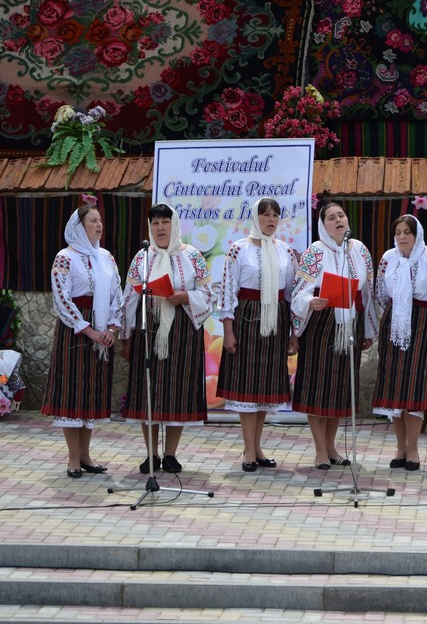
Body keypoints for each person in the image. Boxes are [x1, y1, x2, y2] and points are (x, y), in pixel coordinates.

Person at [118, 204, 215, 474]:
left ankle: (170, 453)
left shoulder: (193, 256)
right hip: (149, 329)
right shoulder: (142, 257)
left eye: (165, 222)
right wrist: (126, 335)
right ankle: (151, 454)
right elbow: (129, 297)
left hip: (183, 329)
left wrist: (186, 296)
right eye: (155, 223)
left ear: (175, 225)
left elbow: (209, 293)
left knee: (178, 389)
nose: (160, 227)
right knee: (147, 389)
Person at [290, 202, 379, 470]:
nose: (338, 220)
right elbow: (298, 292)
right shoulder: (315, 252)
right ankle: (320, 450)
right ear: (323, 225)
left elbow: (368, 293)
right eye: (331, 217)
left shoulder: (360, 250)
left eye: (341, 215)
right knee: (318, 387)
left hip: (350, 323)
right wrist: (311, 301)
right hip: (321, 324)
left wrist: (368, 329)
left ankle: (332, 447)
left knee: (340, 387)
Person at [41, 202, 123, 478]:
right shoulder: (65, 257)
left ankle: (86, 455)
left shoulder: (106, 257)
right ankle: (73, 458)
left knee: (91, 393)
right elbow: (62, 298)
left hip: (102, 330)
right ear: (78, 227)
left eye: (100, 221)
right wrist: (88, 330)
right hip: (75, 331)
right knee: (73, 393)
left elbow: (117, 293)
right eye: (92, 221)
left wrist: (112, 328)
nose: (99, 225)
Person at [217, 197, 298, 472]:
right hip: (248, 319)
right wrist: (228, 331)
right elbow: (227, 291)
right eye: (265, 215)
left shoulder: (285, 251)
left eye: (275, 215)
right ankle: (249, 449)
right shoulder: (239, 249)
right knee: (247, 386)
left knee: (264, 389)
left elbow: (292, 293)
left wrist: (293, 332)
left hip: (276, 321)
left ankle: (257, 446)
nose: (271, 219)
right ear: (255, 217)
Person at [372, 214, 427, 472]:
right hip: (394, 323)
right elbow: (380, 294)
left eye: (407, 232)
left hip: (423, 324)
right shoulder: (388, 258)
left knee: (416, 385)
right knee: (395, 386)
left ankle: (414, 449)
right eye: (398, 232)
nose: (402, 237)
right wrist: (396, 314)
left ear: (417, 234)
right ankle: (400, 448)